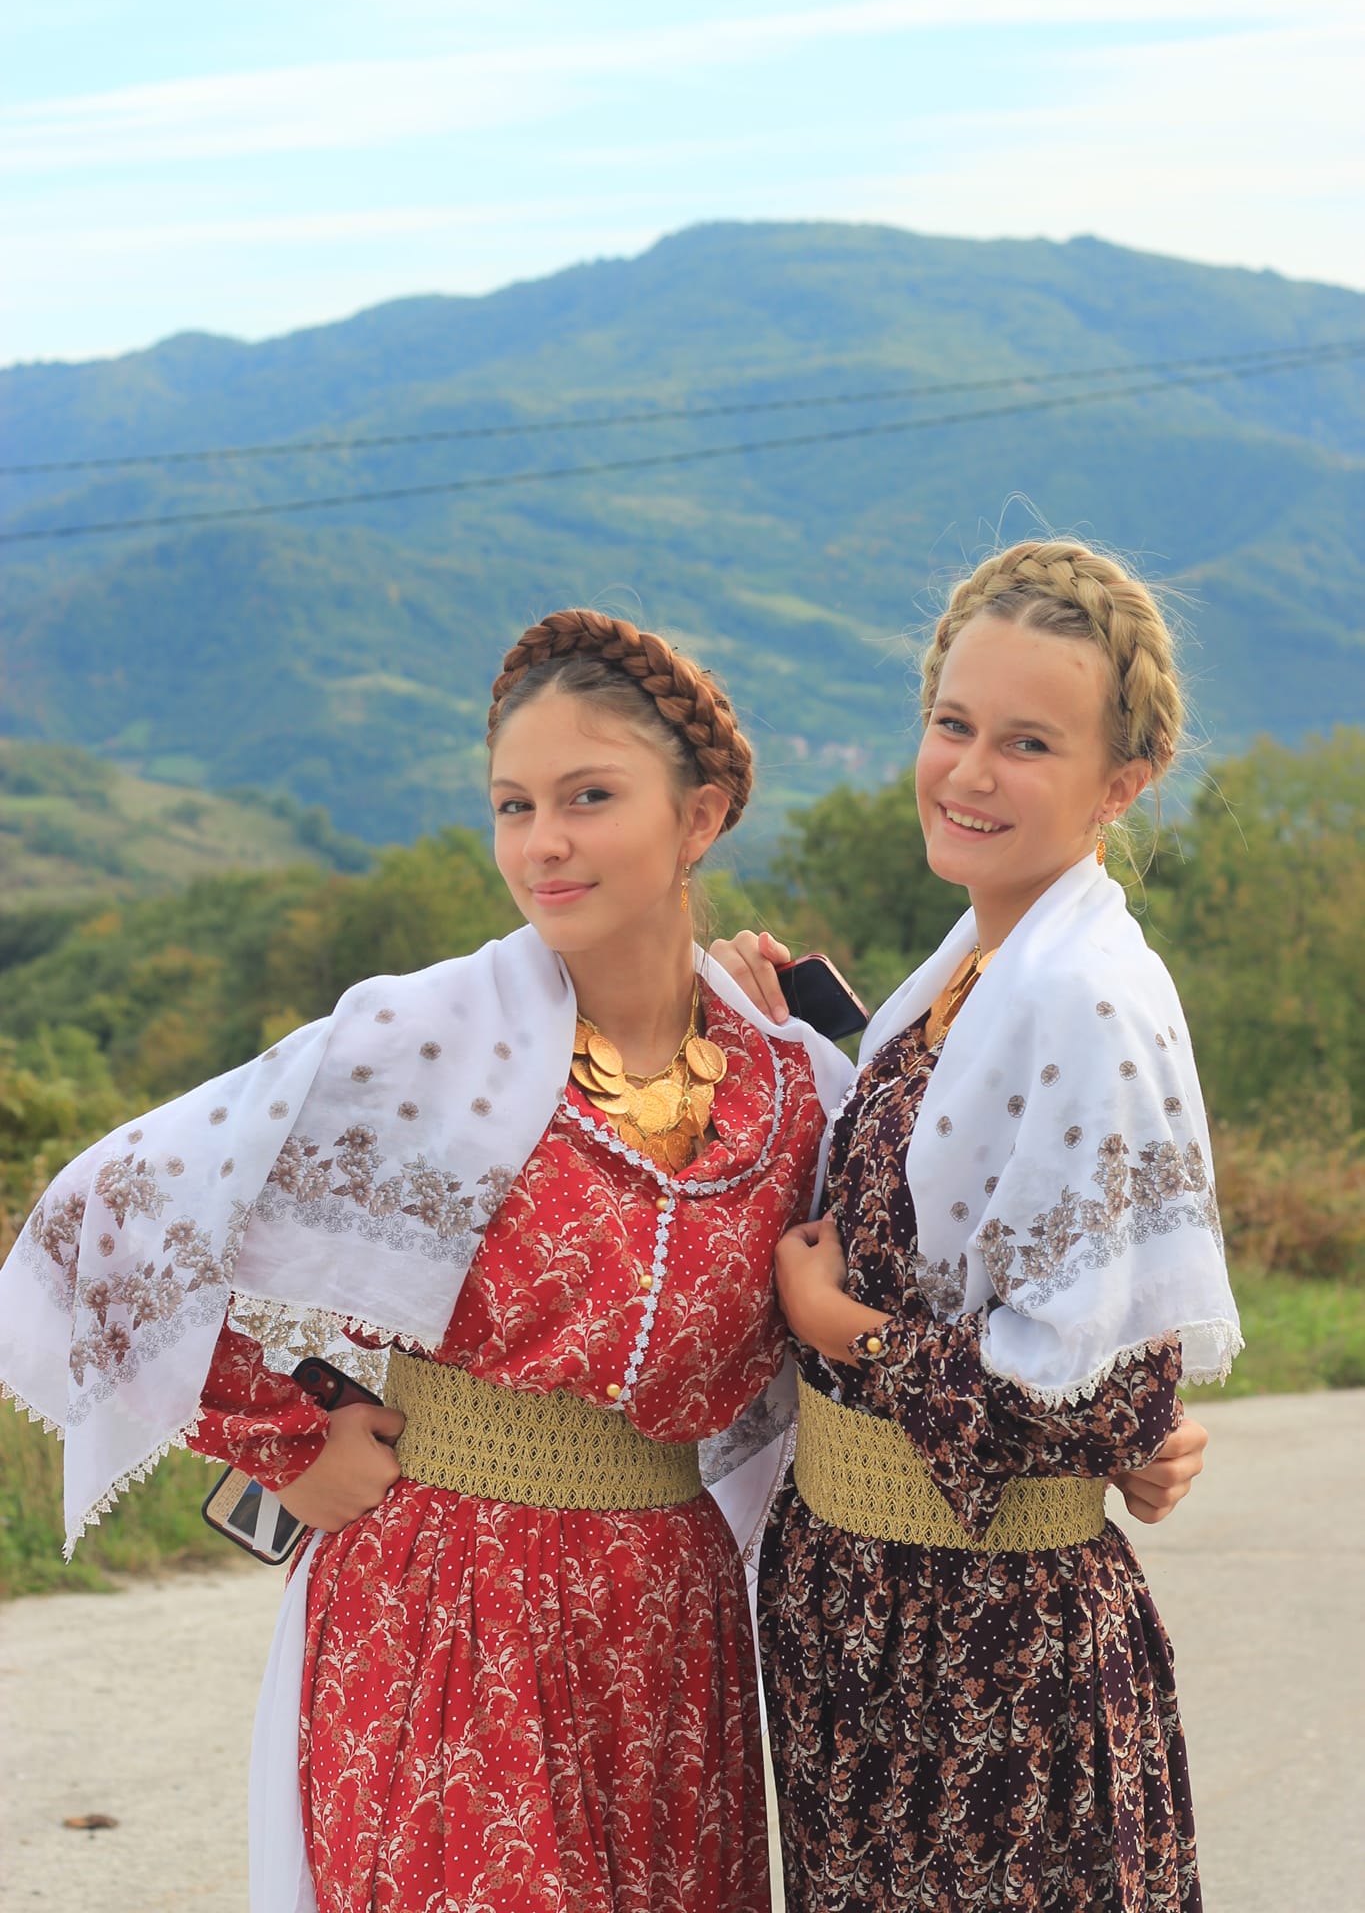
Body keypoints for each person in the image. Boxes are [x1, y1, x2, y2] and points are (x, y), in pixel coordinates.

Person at [0, 609, 855, 1913]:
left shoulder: (790, 1086)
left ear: (700, 818)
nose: (542, 841)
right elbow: (104, 1221)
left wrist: (1128, 1420)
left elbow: (919, 1270)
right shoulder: (428, 1044)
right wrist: (285, 1432)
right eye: (514, 806)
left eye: (588, 797)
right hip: (446, 1601)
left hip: (666, 1631)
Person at [716, 539, 1241, 1913]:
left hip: (989, 1656)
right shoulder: (976, 969)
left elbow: (1088, 1393)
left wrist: (839, 1328)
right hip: (872, 1622)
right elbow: (962, 1219)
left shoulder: (1085, 1001)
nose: (968, 771)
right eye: (953, 725)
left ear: (1120, 783)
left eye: (1028, 743)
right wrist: (786, 1041)